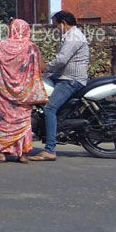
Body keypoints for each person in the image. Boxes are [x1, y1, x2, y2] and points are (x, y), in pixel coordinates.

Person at [30, 10, 89, 162]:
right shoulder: (70, 36)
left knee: (50, 108)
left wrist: (46, 68)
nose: (55, 28)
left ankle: (50, 149)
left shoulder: (73, 37)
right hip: (63, 77)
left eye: (56, 25)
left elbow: (61, 60)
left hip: (71, 80)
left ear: (63, 23)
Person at [0, 19, 47, 163]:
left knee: (3, 121)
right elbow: (41, 68)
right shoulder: (31, 48)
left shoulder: (1, 46)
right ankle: (23, 155)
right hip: (24, 94)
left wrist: (0, 84)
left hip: (3, 94)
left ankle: (1, 153)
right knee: (23, 122)